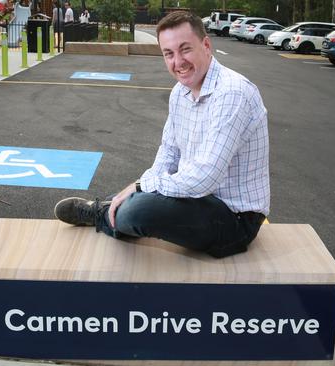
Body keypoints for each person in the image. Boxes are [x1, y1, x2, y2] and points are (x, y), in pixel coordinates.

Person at [54, 11, 270, 258]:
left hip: (235, 219)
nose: (178, 62)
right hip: (196, 198)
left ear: (206, 45)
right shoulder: (180, 93)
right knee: (137, 198)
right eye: (169, 54)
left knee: (139, 211)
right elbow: (168, 153)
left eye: (185, 49)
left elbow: (205, 177)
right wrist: (144, 187)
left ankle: (102, 214)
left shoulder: (232, 93)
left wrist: (141, 186)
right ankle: (110, 207)